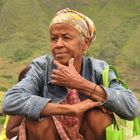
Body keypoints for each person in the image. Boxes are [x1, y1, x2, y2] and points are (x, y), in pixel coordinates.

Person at [2, 8, 139, 140]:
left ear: (84, 44)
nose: (58, 44)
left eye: (66, 38)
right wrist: (70, 109)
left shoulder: (99, 69)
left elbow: (131, 108)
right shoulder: (41, 68)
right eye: (54, 38)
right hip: (49, 135)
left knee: (98, 117)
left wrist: (80, 83)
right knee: (37, 121)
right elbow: (10, 101)